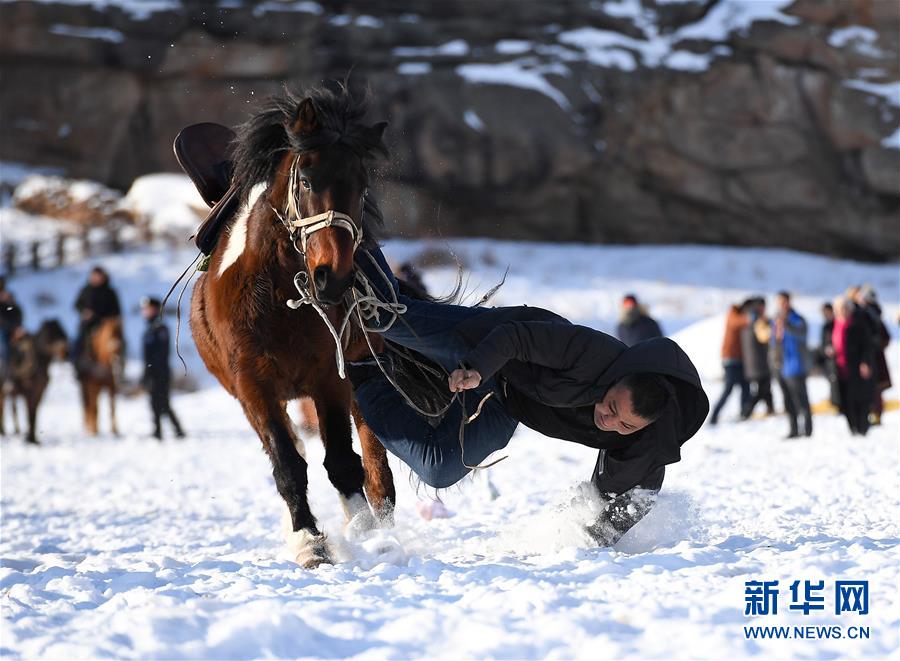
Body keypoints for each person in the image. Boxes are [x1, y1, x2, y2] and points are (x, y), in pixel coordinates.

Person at [347, 245, 709, 547]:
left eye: (625, 424)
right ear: (620, 377)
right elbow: (515, 338)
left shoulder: (646, 446)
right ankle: (352, 234)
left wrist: (591, 540)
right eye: (612, 406)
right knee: (385, 318)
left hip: (507, 404)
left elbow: (626, 504)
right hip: (489, 347)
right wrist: (476, 368)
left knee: (439, 469)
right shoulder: (592, 352)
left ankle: (364, 372)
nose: (609, 422)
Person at [141, 297, 185, 440]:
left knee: (162, 402)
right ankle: (160, 431)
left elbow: (161, 354)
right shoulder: (149, 328)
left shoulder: (160, 328)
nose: (145, 312)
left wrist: (153, 371)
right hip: (152, 371)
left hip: (160, 372)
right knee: (155, 402)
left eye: (147, 309)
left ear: (155, 309)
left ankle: (175, 430)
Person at [832, 296, 876, 436]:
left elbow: (867, 346)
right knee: (844, 400)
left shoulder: (859, 324)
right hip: (839, 369)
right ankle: (852, 428)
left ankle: (861, 427)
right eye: (839, 309)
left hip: (856, 368)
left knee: (859, 399)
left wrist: (865, 362)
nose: (842, 311)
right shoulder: (832, 325)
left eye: (844, 308)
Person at [771, 291, 812, 438]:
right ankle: (793, 429)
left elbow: (802, 335)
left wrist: (786, 325)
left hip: (795, 365)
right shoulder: (775, 321)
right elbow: (773, 342)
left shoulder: (797, 319)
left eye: (784, 301)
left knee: (801, 400)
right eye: (779, 302)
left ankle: (807, 430)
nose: (782, 305)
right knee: (787, 401)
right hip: (781, 366)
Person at [72, 266, 122, 371]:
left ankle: (119, 368)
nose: (96, 278)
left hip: (104, 325)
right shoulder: (85, 290)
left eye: (99, 276)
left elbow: (116, 310)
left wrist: (106, 318)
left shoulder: (109, 292)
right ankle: (75, 365)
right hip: (87, 325)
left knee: (117, 344)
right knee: (77, 342)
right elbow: (77, 305)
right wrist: (85, 312)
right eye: (94, 276)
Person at [709, 302, 750, 425]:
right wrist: (751, 317)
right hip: (730, 360)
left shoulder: (738, 315)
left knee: (746, 387)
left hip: (740, 360)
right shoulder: (733, 314)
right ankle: (714, 416)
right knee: (728, 389)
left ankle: (744, 413)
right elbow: (738, 322)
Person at [858, 287, 891, 426]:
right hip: (874, 354)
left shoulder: (869, 313)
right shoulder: (874, 313)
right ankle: (874, 414)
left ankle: (875, 415)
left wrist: (872, 346)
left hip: (872, 356)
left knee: (874, 387)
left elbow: (884, 337)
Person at [740, 297, 774, 418]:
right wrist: (769, 325)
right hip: (757, 361)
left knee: (766, 386)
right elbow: (764, 336)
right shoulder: (757, 320)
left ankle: (771, 409)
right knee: (761, 390)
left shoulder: (747, 317)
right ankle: (746, 412)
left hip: (752, 360)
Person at [817, 302, 841, 409]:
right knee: (833, 381)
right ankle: (835, 403)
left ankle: (839, 403)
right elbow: (822, 345)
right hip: (829, 360)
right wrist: (825, 351)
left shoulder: (838, 324)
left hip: (840, 359)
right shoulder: (824, 327)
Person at [0, 276, 24, 381]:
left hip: (12, 329)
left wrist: (8, 303)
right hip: (2, 330)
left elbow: (16, 311)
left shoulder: (9, 297)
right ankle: (6, 374)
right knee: (4, 346)